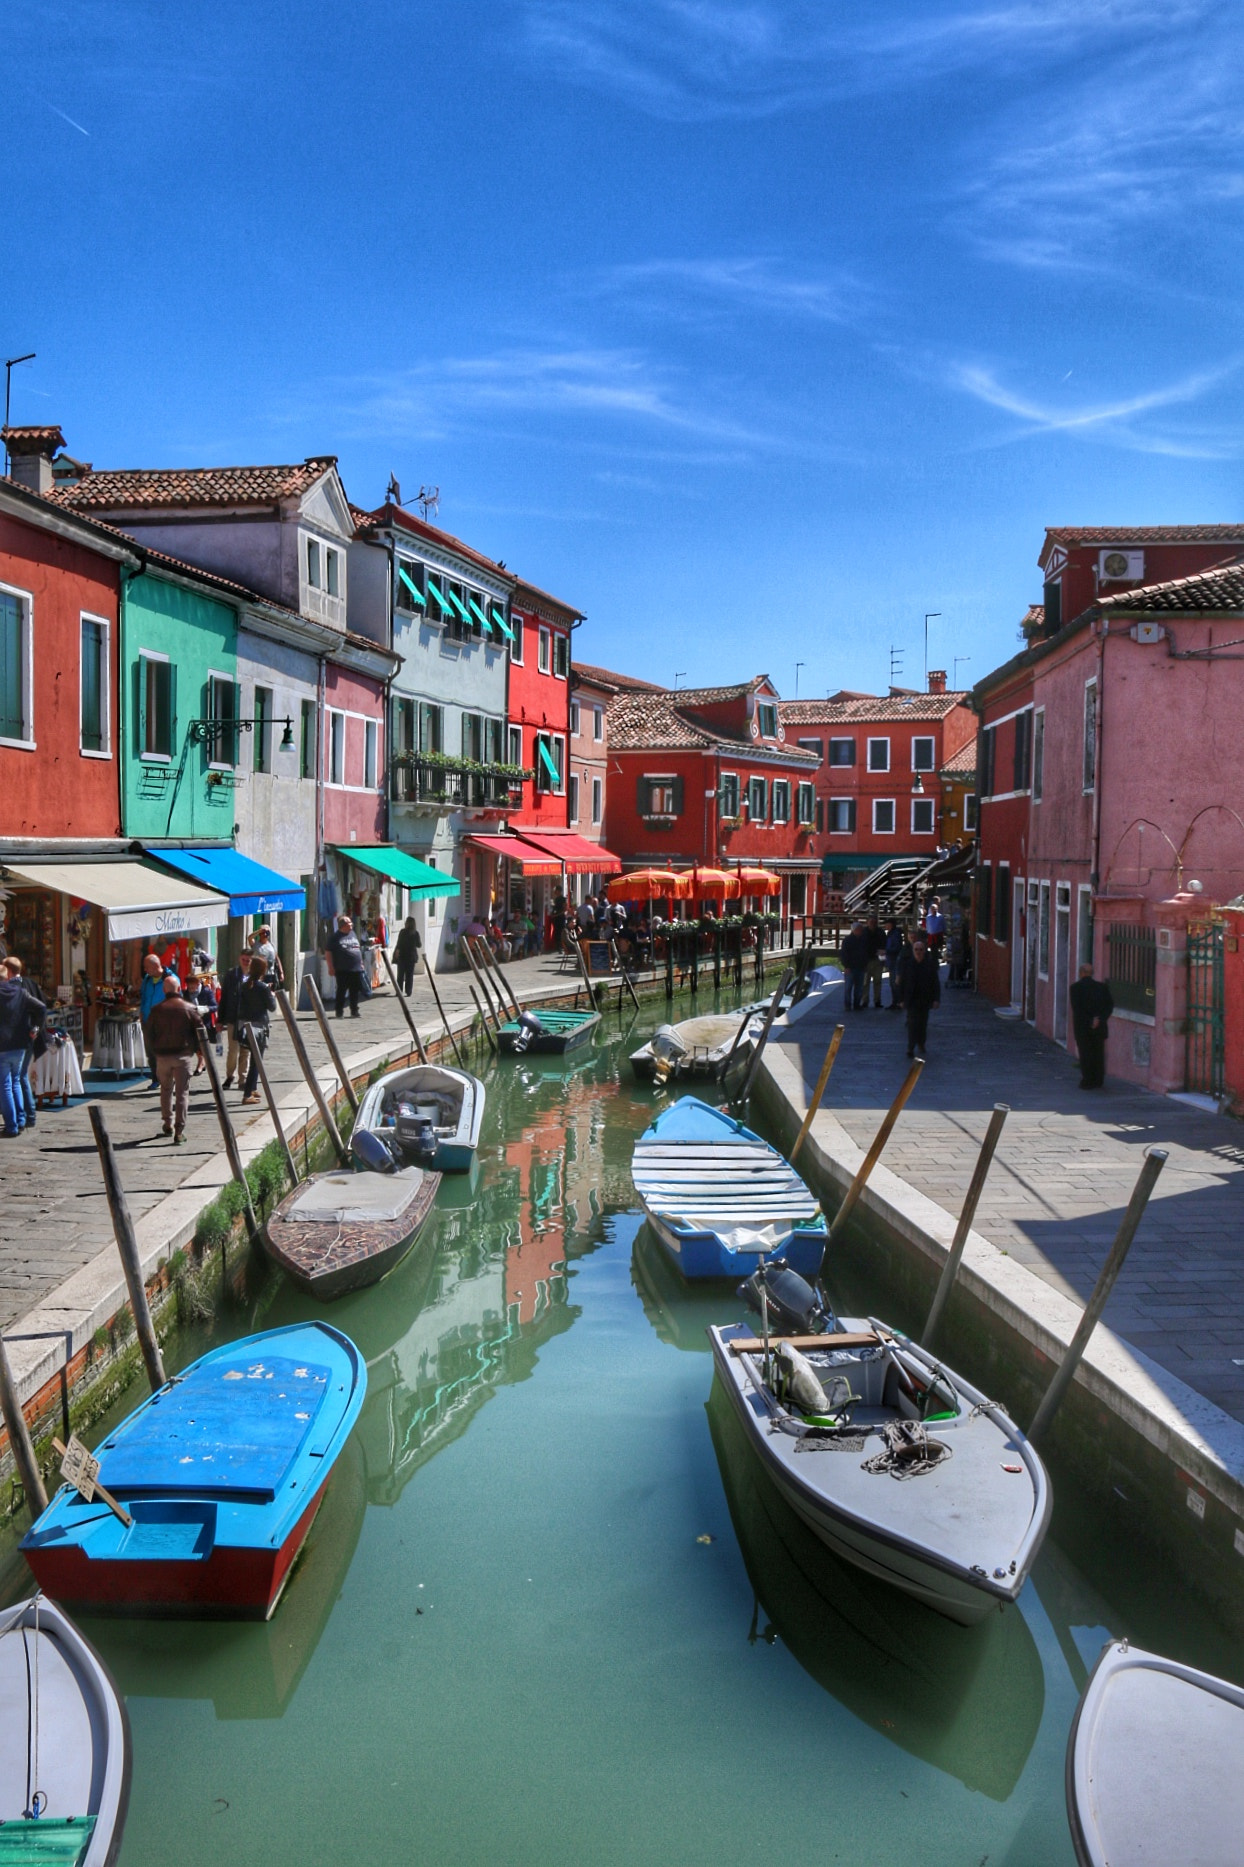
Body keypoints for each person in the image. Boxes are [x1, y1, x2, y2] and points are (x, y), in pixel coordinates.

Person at [145, 973, 203, 1143]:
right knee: (182, 1093)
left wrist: (154, 1051)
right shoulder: (188, 1008)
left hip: (162, 1056)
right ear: (179, 988)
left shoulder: (156, 1010)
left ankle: (167, 1123)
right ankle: (179, 1130)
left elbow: (149, 1034)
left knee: (165, 1090)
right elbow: (200, 1032)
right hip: (182, 1055)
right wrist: (196, 1051)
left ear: (164, 990)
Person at [0, 962, 43, 1137]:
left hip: (2, 1045)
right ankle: (21, 1120)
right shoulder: (20, 992)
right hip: (19, 1045)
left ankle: (12, 1125)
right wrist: (35, 1028)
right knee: (16, 1081)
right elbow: (41, 1007)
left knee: (5, 1085)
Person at [235, 956, 278, 1104]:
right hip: (259, 1028)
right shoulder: (263, 988)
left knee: (253, 1059)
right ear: (262, 971)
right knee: (256, 1061)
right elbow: (272, 1007)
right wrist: (271, 994)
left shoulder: (245, 985)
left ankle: (252, 1087)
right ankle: (247, 1095)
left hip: (246, 1027)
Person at [896, 933, 941, 1061]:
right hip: (911, 999)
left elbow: (935, 983)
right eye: (916, 949)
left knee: (923, 1024)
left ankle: (921, 1043)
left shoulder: (930, 964)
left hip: (925, 999)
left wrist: (936, 999)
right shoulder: (907, 965)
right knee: (912, 1024)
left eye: (921, 950)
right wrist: (901, 1000)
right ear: (913, 950)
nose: (919, 952)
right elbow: (901, 984)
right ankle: (910, 1047)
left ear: (924, 950)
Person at [1070, 962, 1114, 1090]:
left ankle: (1088, 1080)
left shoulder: (1075, 988)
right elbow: (1109, 1006)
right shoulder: (1102, 987)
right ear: (1092, 973)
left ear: (1081, 973)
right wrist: (1099, 1019)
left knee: (1085, 1053)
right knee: (1098, 1053)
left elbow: (1077, 1009)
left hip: (1083, 1027)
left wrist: (1090, 1020)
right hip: (1099, 1026)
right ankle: (1098, 1079)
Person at [327, 914, 366, 1018]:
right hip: (342, 969)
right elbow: (328, 952)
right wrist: (330, 967)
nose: (351, 924)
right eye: (349, 923)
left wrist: (361, 962)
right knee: (341, 991)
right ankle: (339, 1012)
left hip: (356, 968)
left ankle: (354, 1011)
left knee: (355, 991)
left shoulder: (352, 934)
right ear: (343, 925)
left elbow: (357, 948)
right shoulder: (335, 937)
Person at [218, 955, 248, 1087]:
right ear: (239, 959)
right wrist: (220, 1020)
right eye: (243, 959)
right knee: (233, 1050)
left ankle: (243, 1078)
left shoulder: (255, 975)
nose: (246, 962)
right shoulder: (232, 975)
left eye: (248, 960)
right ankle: (230, 1076)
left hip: (248, 1019)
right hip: (233, 1018)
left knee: (245, 1050)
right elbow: (224, 998)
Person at [139, 952, 165, 1088]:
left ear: (155, 966)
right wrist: (141, 1012)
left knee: (163, 1052)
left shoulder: (170, 979)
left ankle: (166, 1077)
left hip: (162, 1022)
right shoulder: (147, 979)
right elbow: (143, 996)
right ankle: (155, 1078)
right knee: (150, 1051)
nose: (145, 970)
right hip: (147, 1020)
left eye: (146, 967)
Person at [840, 920, 870, 1011]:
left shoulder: (864, 940)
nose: (861, 931)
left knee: (859, 988)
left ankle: (857, 1004)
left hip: (861, 967)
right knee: (848, 988)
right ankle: (847, 1005)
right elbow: (844, 954)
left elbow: (866, 953)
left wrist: (865, 964)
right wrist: (846, 966)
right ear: (855, 930)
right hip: (850, 967)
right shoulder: (847, 940)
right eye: (860, 929)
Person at [250, 924, 284, 989]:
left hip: (270, 975)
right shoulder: (255, 944)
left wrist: (281, 972)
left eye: (267, 932)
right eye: (263, 933)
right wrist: (259, 931)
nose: (265, 934)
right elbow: (249, 938)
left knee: (270, 994)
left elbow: (277, 958)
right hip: (259, 975)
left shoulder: (272, 945)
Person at [394, 916, 421, 994]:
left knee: (400, 975)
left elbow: (399, 944)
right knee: (409, 975)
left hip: (402, 956)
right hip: (411, 957)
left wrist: (396, 953)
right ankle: (408, 991)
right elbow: (419, 945)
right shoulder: (415, 933)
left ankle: (399, 991)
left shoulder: (402, 932)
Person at [864, 914, 887, 1008]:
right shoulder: (864, 932)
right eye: (871, 922)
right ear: (867, 922)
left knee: (878, 982)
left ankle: (877, 1001)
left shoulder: (881, 932)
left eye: (874, 922)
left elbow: (885, 946)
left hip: (878, 960)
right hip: (866, 960)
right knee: (865, 983)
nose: (873, 923)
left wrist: (884, 960)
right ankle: (865, 1001)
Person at [884, 919, 906, 1009]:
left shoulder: (895, 934)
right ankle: (895, 1002)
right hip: (891, 960)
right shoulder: (890, 933)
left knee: (895, 983)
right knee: (892, 983)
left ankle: (898, 1002)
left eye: (887, 924)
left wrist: (886, 951)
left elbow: (897, 948)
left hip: (895, 960)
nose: (886, 926)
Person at [924, 896, 946, 962]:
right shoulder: (928, 917)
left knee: (938, 948)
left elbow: (943, 925)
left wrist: (944, 932)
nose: (934, 910)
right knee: (933, 949)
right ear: (931, 909)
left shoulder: (940, 916)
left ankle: (937, 959)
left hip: (938, 935)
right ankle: (934, 961)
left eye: (935, 909)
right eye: (933, 909)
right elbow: (927, 925)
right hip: (931, 936)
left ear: (937, 909)